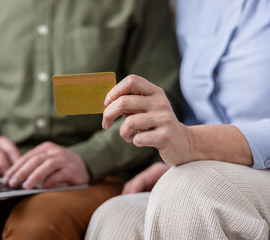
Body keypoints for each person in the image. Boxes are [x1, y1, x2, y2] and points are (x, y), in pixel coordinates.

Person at [0, 0, 182, 239]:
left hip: (101, 175)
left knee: (36, 226)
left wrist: (87, 159)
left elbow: (158, 105)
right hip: (7, 174)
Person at [85, 0, 270, 239]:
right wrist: (174, 161)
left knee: (190, 191)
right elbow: (199, 110)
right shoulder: (189, 5)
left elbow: (195, 140)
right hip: (222, 167)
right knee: (116, 215)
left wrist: (193, 143)